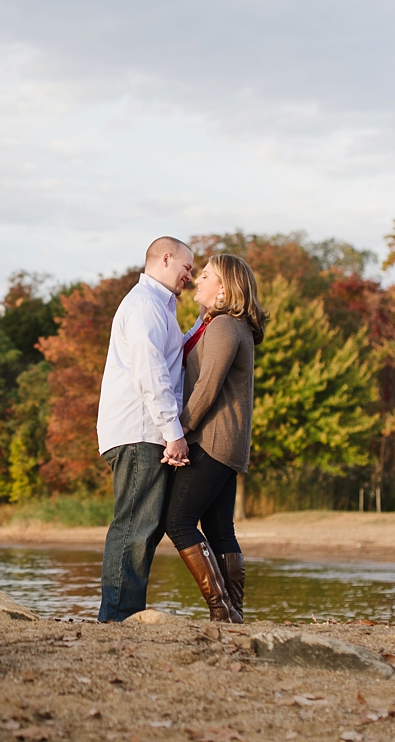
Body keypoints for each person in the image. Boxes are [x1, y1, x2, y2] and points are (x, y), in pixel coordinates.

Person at [96, 236, 194, 622]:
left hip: (142, 432)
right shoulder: (144, 306)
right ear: (165, 258)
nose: (189, 275)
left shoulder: (160, 308)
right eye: (186, 267)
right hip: (140, 432)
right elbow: (150, 373)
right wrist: (174, 431)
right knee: (135, 526)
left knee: (144, 526)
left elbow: (169, 358)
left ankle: (120, 613)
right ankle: (117, 619)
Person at [165, 253, 266, 623]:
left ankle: (221, 610)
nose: (197, 280)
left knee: (178, 520)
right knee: (220, 528)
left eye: (205, 275)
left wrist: (179, 429)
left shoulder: (225, 325)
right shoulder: (224, 324)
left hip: (212, 440)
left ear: (224, 288)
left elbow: (208, 386)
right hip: (226, 441)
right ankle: (233, 613)